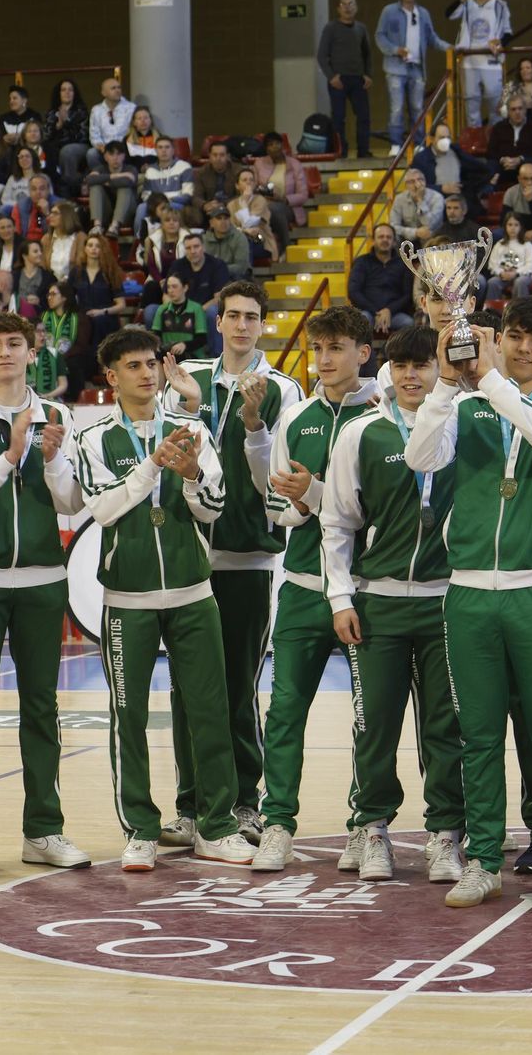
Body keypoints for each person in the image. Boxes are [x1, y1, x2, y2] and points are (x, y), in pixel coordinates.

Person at [405, 297, 532, 911]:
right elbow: (420, 458)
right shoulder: (462, 404)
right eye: (513, 336)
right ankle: (484, 859)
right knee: (478, 735)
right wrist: (446, 382)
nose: (521, 348)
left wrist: (489, 378)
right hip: (468, 588)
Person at [72, 327, 257, 870]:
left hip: (193, 591)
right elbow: (103, 510)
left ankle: (216, 825)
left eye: (152, 362)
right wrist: (153, 464)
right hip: (126, 598)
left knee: (209, 711)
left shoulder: (190, 427)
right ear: (111, 377)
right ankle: (140, 829)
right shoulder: (93, 438)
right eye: (132, 365)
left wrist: (194, 472)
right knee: (128, 715)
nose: (147, 373)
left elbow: (215, 506)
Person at [0, 312, 90, 877]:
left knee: (41, 708)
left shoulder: (61, 415)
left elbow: (73, 502)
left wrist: (50, 458)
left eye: (15, 344)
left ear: (34, 352)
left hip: (42, 582)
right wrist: (10, 453)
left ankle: (44, 830)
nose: (5, 352)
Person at [159, 280, 306, 847]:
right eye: (233, 316)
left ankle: (246, 801)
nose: (242, 325)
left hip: (248, 559)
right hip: (188, 558)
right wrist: (184, 405)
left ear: (264, 325)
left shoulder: (284, 390)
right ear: (218, 322)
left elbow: (283, 473)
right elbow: (166, 447)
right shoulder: (188, 376)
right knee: (186, 689)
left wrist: (254, 424)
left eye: (252, 317)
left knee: (238, 686)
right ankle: (191, 806)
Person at [317, 325, 466, 882]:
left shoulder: (462, 426)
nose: (410, 375)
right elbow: (336, 522)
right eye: (402, 365)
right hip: (378, 600)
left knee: (446, 726)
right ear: (388, 369)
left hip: (447, 601)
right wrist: (340, 596)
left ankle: (446, 832)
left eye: (422, 365)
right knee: (374, 723)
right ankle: (373, 827)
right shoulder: (361, 434)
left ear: (438, 370)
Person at [250, 307, 380, 871]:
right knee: (284, 713)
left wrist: (317, 490)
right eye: (317, 349)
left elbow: (385, 512)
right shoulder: (296, 417)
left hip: (367, 591)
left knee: (369, 717)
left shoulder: (387, 415)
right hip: (303, 588)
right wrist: (304, 498)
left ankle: (365, 824)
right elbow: (278, 507)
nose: (324, 361)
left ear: (363, 353)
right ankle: (278, 822)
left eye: (336, 349)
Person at [376, 0, 447, 155]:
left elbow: (432, 38)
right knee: (397, 107)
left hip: (416, 67)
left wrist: (450, 47)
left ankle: (419, 143)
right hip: (395, 67)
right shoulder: (389, 11)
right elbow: (380, 36)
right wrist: (395, 49)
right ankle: (396, 143)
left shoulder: (423, 13)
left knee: (417, 107)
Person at [320, 0, 375, 159]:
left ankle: (363, 151)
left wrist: (368, 75)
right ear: (338, 8)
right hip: (339, 81)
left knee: (364, 117)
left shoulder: (361, 28)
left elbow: (368, 54)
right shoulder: (331, 28)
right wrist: (331, 77)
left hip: (358, 80)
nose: (347, 7)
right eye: (343, 4)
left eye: (351, 4)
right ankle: (341, 151)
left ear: (356, 8)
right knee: (338, 119)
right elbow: (322, 55)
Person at [449, 0, 512, 129]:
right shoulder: (467, 3)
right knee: (471, 101)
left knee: (494, 99)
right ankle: (474, 137)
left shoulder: (499, 4)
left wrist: (499, 42)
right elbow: (449, 15)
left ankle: (496, 134)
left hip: (491, 60)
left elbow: (508, 33)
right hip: (469, 61)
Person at [349, 223, 415, 335]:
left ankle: (387, 353)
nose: (385, 240)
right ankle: (368, 353)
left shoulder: (403, 263)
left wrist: (389, 310)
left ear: (394, 241)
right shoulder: (362, 262)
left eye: (389, 237)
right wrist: (377, 312)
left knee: (409, 323)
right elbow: (354, 292)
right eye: (381, 237)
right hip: (368, 311)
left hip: (394, 313)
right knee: (361, 321)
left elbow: (407, 295)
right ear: (373, 240)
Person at [251, 132, 311, 253]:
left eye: (277, 143)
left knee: (274, 209)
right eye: (271, 144)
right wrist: (265, 192)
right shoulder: (259, 164)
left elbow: (303, 195)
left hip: (288, 206)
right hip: (263, 204)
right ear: (266, 149)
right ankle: (263, 250)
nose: (275, 147)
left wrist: (284, 199)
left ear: (282, 146)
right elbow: (253, 188)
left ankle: (285, 246)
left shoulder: (294, 164)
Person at [410, 122, 491, 201]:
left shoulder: (457, 152)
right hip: (435, 201)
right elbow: (415, 186)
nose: (445, 141)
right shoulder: (421, 159)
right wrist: (441, 188)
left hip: (459, 198)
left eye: (448, 137)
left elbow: (478, 169)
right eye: (441, 137)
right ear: (432, 138)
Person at [487, 97, 532, 190]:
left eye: (520, 108)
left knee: (529, 164)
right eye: (513, 109)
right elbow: (491, 151)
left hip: (525, 165)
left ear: (525, 110)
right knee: (490, 165)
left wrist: (520, 159)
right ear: (508, 112)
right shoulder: (498, 128)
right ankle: (487, 196)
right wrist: (503, 159)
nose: (517, 112)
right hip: (503, 166)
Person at [44, 80, 90, 198]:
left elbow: (82, 136)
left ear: (75, 93)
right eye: (63, 90)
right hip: (56, 146)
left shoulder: (81, 111)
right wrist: (58, 125)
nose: (67, 92)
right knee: (49, 149)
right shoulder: (51, 113)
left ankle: (70, 193)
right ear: (58, 93)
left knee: (67, 151)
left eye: (70, 90)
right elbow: (47, 136)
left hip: (78, 146)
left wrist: (67, 122)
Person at [84, 141, 138, 239]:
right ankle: (97, 226)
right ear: (105, 157)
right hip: (106, 211)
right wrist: (116, 176)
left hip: (127, 212)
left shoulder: (130, 168)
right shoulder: (100, 168)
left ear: (124, 156)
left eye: (119, 154)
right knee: (95, 187)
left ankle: (115, 226)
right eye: (111, 154)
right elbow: (89, 180)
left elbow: (127, 182)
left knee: (124, 188)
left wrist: (104, 180)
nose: (115, 158)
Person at [483, 211, 532, 303]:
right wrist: (501, 273)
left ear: (521, 227)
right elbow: (493, 264)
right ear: (505, 227)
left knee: (520, 282)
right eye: (510, 225)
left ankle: (520, 311)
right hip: (503, 276)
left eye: (516, 225)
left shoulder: (527, 245)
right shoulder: (500, 244)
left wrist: (516, 273)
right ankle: (492, 311)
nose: (513, 228)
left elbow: (531, 265)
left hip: (523, 275)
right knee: (492, 282)